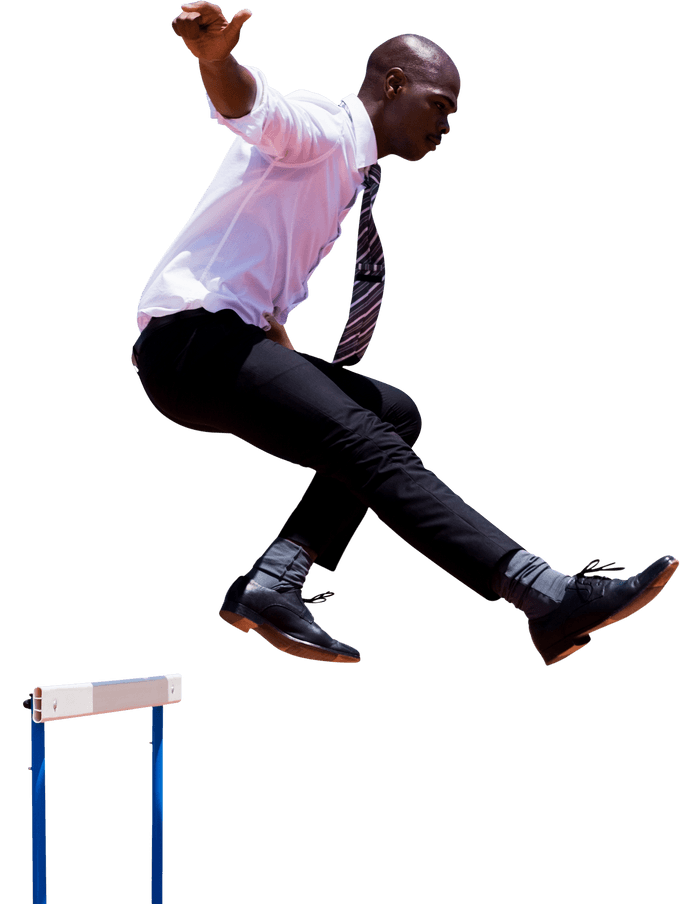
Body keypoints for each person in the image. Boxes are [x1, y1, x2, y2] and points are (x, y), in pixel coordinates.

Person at [130, 2, 676, 666]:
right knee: (369, 446)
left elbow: (253, 268)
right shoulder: (325, 131)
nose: (446, 125)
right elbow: (257, 110)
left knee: (391, 412)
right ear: (391, 85)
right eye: (439, 105)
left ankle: (278, 580)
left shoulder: (344, 174)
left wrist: (284, 357)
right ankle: (546, 594)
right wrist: (217, 61)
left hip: (223, 344)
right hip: (192, 345)